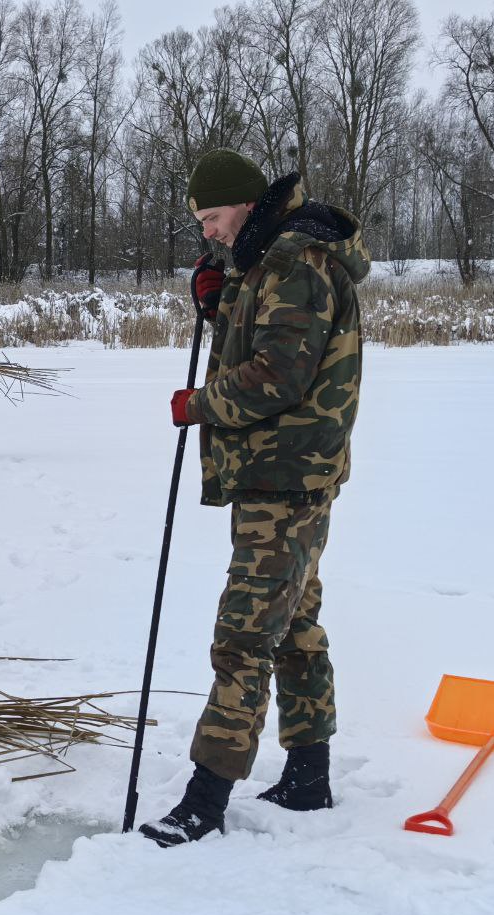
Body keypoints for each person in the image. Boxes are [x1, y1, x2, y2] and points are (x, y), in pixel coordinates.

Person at [140, 148, 369, 848]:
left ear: (245, 204)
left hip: (286, 475)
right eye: (202, 223)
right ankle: (308, 776)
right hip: (285, 471)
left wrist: (199, 404)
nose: (208, 231)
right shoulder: (268, 259)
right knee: (294, 625)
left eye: (213, 217)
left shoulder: (295, 262)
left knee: (243, 636)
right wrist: (222, 301)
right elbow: (262, 338)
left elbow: (279, 376)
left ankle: (205, 800)